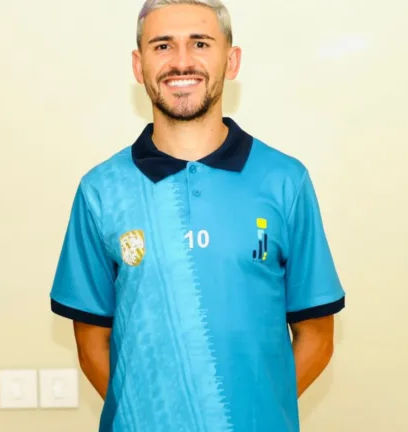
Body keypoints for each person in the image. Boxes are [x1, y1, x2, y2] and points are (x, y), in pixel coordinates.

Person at [50, 0, 346, 430]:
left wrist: (253, 417)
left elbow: (317, 336)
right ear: (138, 65)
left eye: (201, 43)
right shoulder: (100, 190)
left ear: (232, 60)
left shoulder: (285, 181)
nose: (182, 61)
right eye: (162, 46)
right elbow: (92, 341)